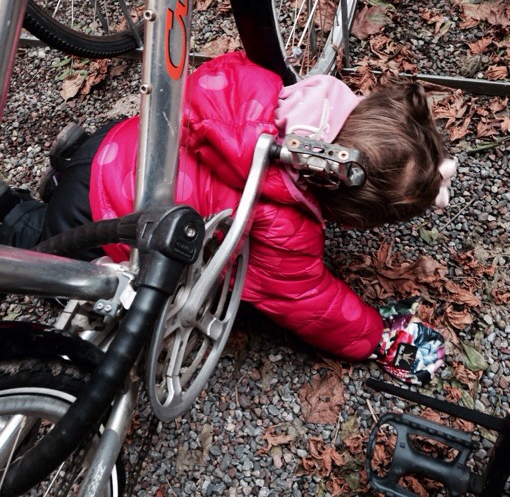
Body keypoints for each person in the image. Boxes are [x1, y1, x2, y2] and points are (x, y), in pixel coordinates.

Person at [0, 52, 455, 384]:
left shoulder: (263, 87)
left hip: (117, 148)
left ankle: (67, 166)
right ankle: (14, 212)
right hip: (96, 220)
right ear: (352, 214)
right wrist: (373, 336)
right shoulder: (282, 224)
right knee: (51, 256)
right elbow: (308, 302)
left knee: (110, 174)